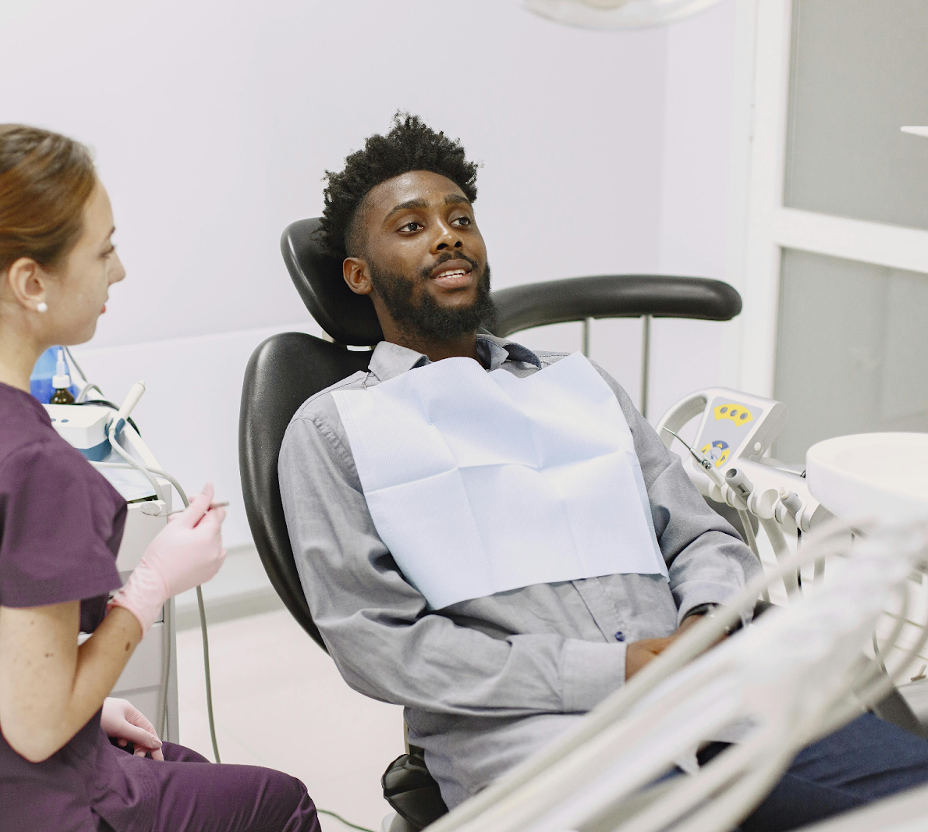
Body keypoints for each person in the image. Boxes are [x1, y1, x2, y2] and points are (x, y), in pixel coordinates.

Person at [278, 113, 928, 832]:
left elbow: (702, 537)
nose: (447, 234)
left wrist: (705, 624)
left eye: (461, 217)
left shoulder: (578, 385)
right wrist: (615, 671)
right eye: (411, 226)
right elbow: (378, 645)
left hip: (722, 691)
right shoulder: (334, 430)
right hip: (537, 733)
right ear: (358, 274)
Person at [0, 124, 320, 832]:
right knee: (276, 804)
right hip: (20, 806)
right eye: (103, 251)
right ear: (30, 282)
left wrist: (87, 706)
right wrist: (154, 582)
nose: (119, 271)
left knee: (179, 763)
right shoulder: (32, 469)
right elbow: (38, 732)